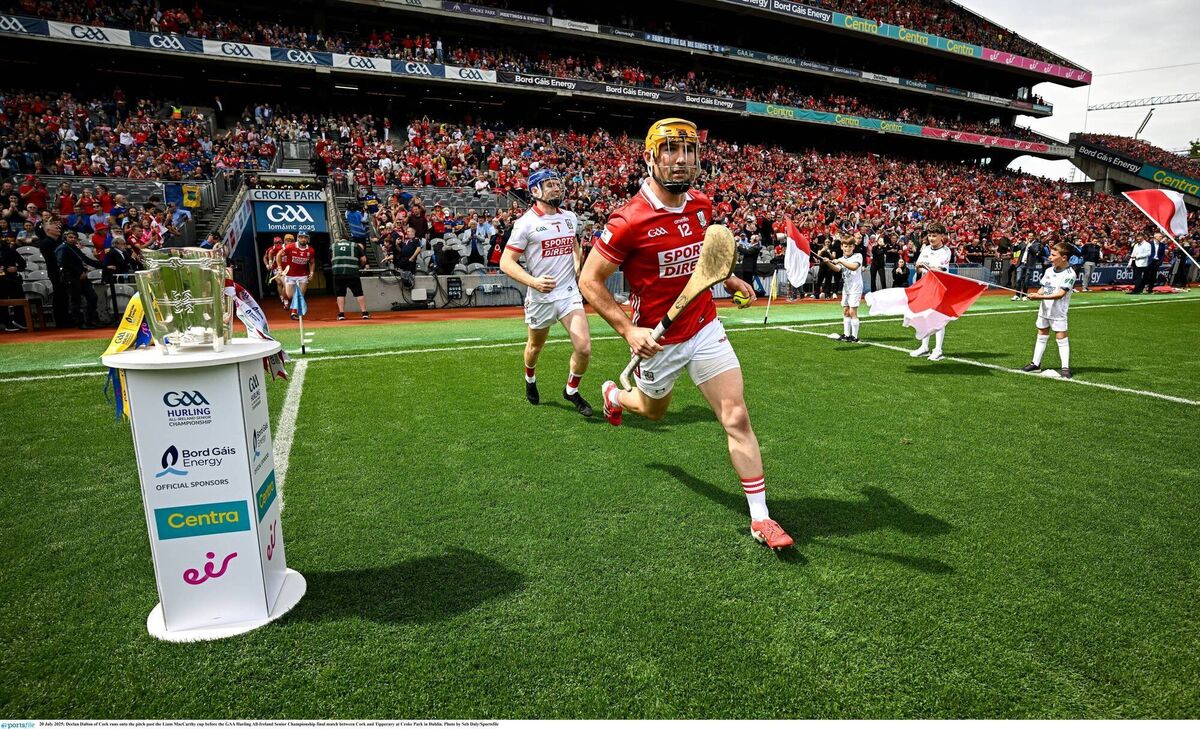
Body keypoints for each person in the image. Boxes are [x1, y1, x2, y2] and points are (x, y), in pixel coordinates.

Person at [578, 117, 793, 551]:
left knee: (736, 417)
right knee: (652, 410)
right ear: (650, 157)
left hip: (704, 325)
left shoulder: (702, 204)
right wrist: (627, 329)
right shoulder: (627, 220)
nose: (681, 160)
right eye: (670, 150)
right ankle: (614, 396)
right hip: (658, 339)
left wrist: (728, 280)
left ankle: (761, 519)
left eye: (689, 151)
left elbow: (705, 258)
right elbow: (589, 281)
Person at [499, 168, 593, 417]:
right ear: (535, 191)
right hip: (541, 298)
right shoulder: (525, 224)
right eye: (549, 184)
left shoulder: (570, 217)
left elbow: (574, 243)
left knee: (583, 348)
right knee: (535, 348)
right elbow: (506, 262)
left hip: (568, 294)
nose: (556, 188)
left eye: (557, 184)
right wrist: (533, 281)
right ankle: (530, 377)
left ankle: (571, 391)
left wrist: (577, 263)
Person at [1021, 242, 1077, 379]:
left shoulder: (1070, 274)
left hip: (1058, 312)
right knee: (1041, 333)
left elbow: (1060, 295)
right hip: (1045, 309)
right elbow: (1043, 287)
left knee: (1061, 336)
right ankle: (1035, 363)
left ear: (1064, 257)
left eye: (1053, 255)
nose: (1050, 258)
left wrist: (1040, 296)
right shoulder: (1049, 271)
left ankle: (1065, 367)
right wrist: (1037, 294)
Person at [910, 222, 952, 361]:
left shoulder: (946, 251)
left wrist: (926, 266)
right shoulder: (926, 249)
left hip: (939, 287)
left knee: (938, 318)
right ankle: (924, 346)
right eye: (929, 235)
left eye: (934, 235)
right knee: (924, 316)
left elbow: (939, 270)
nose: (931, 238)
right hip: (925, 286)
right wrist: (923, 267)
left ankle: (938, 349)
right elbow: (918, 267)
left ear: (941, 236)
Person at [817, 234, 864, 342]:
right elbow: (837, 269)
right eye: (845, 246)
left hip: (855, 287)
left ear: (853, 247)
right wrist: (828, 262)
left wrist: (840, 261)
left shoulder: (858, 256)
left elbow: (854, 267)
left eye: (850, 246)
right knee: (846, 311)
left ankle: (855, 337)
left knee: (852, 311)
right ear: (842, 247)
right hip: (846, 288)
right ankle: (846, 335)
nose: (847, 248)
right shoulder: (842, 259)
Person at [56, 230, 103, 329]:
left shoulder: (74, 248)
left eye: (74, 237)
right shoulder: (62, 248)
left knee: (92, 297)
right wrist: (79, 272)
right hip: (71, 277)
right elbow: (63, 263)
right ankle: (80, 323)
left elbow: (86, 260)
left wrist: (104, 266)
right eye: (70, 237)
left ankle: (89, 321)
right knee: (75, 300)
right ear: (65, 238)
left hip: (81, 277)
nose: (73, 239)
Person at [275, 231, 316, 319]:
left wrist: (311, 273)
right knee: (290, 295)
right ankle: (291, 304)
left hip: (303, 275)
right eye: (301, 237)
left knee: (300, 295)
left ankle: (294, 312)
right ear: (298, 238)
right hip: (290, 275)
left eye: (305, 237)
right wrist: (279, 268)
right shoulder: (290, 247)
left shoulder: (311, 250)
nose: (303, 239)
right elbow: (278, 255)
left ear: (308, 239)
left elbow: (312, 262)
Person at [331, 237, 369, 320]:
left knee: (340, 294)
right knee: (359, 293)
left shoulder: (333, 246)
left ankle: (341, 314)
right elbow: (363, 259)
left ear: (339, 239)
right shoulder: (354, 245)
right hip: (353, 272)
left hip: (338, 273)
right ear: (348, 239)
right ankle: (364, 313)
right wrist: (359, 266)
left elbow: (330, 258)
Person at [0, 236, 27, 331]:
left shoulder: (10, 250)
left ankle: (19, 321)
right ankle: (6, 323)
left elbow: (23, 264)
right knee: (1, 302)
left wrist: (16, 268)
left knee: (19, 298)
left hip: (12, 279)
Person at [263, 235, 288, 309]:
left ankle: (286, 296)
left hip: (285, 268)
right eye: (276, 242)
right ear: (273, 243)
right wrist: (268, 264)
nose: (278, 244)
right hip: (276, 268)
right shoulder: (271, 249)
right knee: (279, 282)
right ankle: (282, 298)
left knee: (286, 283)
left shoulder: (285, 248)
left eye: (279, 242)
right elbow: (265, 257)